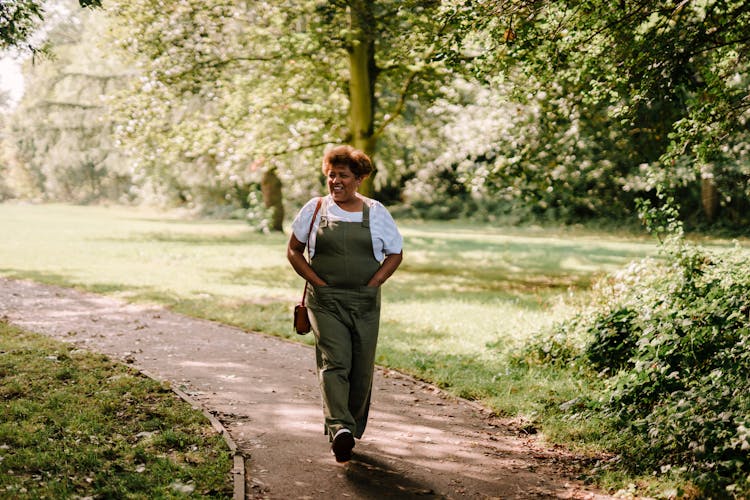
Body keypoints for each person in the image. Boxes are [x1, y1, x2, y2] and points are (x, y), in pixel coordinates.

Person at [287, 145, 403, 463]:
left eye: (343, 175)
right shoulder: (315, 209)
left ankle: (349, 427)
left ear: (360, 178)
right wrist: (319, 283)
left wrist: (374, 284)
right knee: (335, 362)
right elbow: (294, 250)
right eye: (331, 175)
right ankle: (340, 428)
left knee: (361, 369)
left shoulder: (376, 212)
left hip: (365, 302)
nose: (336, 181)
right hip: (324, 301)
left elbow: (395, 253)